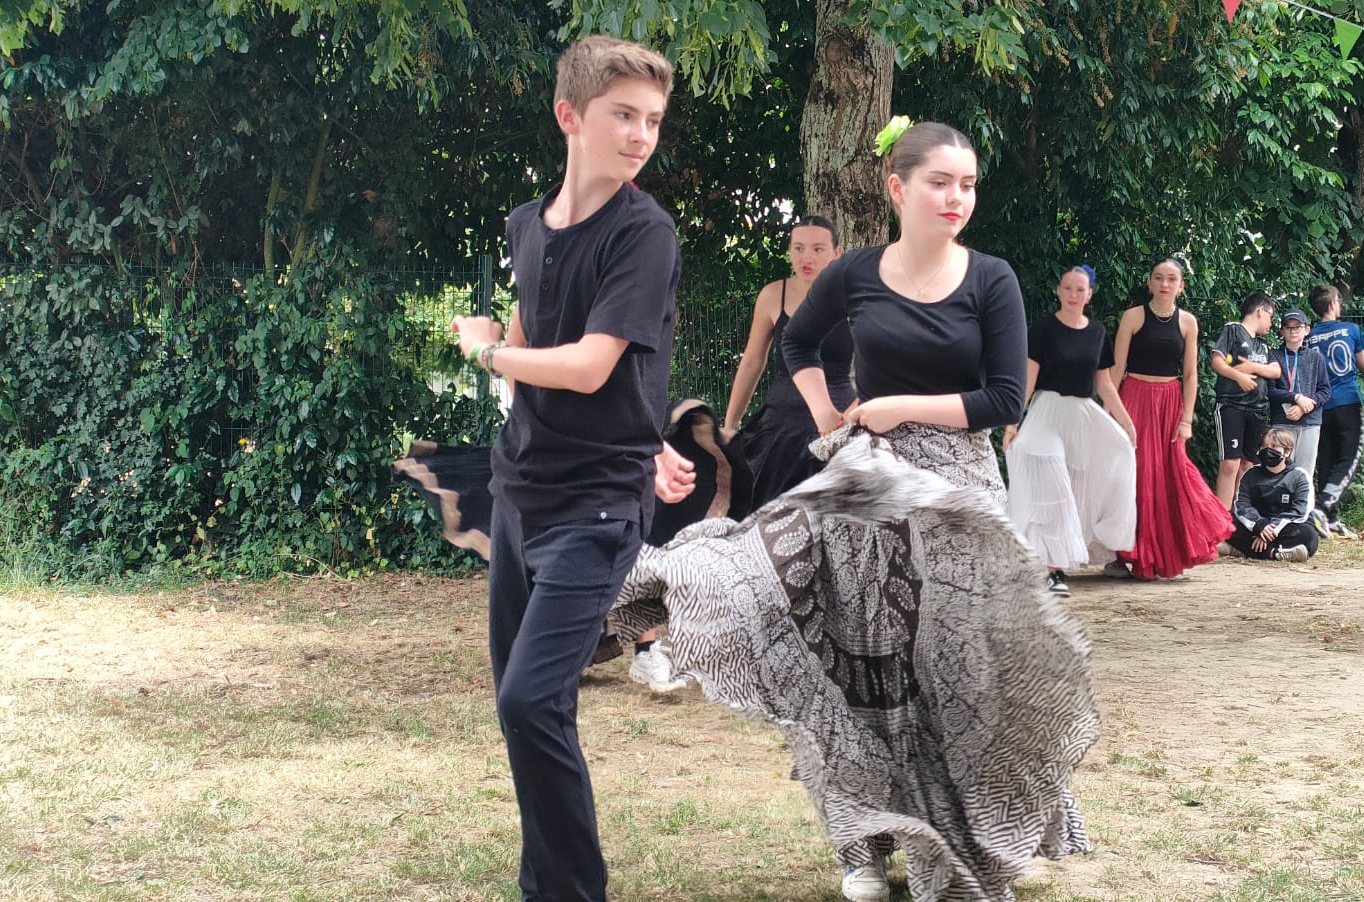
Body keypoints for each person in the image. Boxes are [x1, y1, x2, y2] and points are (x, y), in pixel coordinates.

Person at [612, 120, 1098, 902]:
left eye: (968, 184)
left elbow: (1004, 398)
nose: (958, 197)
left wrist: (896, 406)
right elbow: (798, 347)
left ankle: (979, 841)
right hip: (868, 482)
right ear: (898, 187)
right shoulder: (856, 273)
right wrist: (829, 417)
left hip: (960, 490)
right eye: (940, 181)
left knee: (960, 674)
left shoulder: (991, 279)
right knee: (855, 668)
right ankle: (861, 848)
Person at [446, 36, 697, 902]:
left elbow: (589, 365)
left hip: (596, 506)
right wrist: (501, 343)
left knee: (528, 700)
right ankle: (546, 883)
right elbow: (537, 347)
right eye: (623, 115)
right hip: (520, 490)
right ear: (570, 116)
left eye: (652, 120)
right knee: (529, 708)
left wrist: (486, 355)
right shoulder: (527, 224)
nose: (641, 136)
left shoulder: (644, 232)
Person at [1004, 265, 1137, 597]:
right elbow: (1028, 379)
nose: (1074, 295)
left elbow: (1104, 383)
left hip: (1081, 414)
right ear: (1059, 291)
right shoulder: (1043, 329)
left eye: (1080, 289)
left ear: (1089, 294)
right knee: (1053, 478)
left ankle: (1058, 562)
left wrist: (1125, 423)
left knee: (1097, 470)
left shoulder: (1098, 332)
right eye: (1068, 288)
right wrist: (1013, 422)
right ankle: (1052, 569)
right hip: (1047, 412)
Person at [1109, 258, 1234, 580]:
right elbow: (1117, 367)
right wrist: (1110, 411)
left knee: (1171, 474)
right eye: (1158, 277)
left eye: (1171, 278)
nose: (1164, 283)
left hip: (1169, 403)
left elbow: (1190, 375)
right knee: (1133, 474)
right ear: (1149, 282)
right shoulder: (1132, 317)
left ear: (1181, 285)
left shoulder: (1188, 322)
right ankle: (1124, 554)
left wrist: (1186, 419)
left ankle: (1167, 556)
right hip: (1133, 399)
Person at [721, 216, 851, 509]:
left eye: (818, 249)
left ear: (836, 253)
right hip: (780, 427)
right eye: (799, 248)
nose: (807, 257)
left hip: (839, 422)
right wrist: (730, 426)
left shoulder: (855, 298)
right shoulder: (772, 295)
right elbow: (752, 361)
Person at [1306, 285, 1364, 538]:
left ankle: (1330, 519)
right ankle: (1322, 508)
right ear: (1333, 304)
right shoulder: (1351, 330)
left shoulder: (1308, 336)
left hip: (1319, 406)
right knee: (1349, 457)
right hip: (1347, 402)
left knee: (1327, 459)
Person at [1210, 292, 1279, 509]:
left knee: (1248, 464)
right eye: (1270, 316)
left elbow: (1276, 371)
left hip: (1258, 410)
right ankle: (1223, 518)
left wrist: (1252, 367)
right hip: (1232, 405)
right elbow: (1217, 361)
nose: (1271, 323)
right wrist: (1238, 376)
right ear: (1260, 311)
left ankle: (1241, 513)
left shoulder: (1263, 345)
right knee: (1230, 463)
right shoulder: (1233, 330)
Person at [1220, 428, 1318, 563]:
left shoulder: (1300, 476)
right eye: (1264, 446)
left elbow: (1300, 511)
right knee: (1226, 526)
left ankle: (1243, 550)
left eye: (1274, 446)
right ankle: (1275, 553)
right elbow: (1242, 506)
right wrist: (1259, 525)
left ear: (1287, 452)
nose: (1267, 450)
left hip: (1284, 527)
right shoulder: (1250, 474)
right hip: (1256, 526)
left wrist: (1270, 530)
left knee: (1309, 536)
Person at [1268, 308, 1330, 496]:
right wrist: (1295, 398)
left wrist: (1306, 407)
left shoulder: (1316, 358)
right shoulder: (1274, 356)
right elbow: (1270, 390)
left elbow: (1325, 390)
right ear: (1282, 331)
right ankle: (1281, 509)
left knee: (1305, 473)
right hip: (1282, 422)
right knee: (1280, 470)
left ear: (1307, 329)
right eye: (1288, 327)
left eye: (1297, 327)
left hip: (1310, 423)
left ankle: (1302, 510)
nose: (1293, 331)